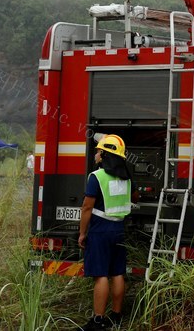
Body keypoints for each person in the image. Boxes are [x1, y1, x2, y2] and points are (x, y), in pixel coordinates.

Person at [78, 134, 132, 330]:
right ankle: (116, 316)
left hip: (100, 230)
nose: (96, 154)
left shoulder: (97, 177)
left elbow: (86, 208)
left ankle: (98, 321)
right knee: (117, 272)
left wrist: (82, 233)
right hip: (118, 229)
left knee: (100, 274)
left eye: (98, 151)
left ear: (105, 154)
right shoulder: (126, 176)